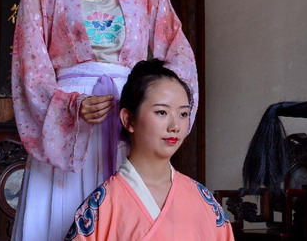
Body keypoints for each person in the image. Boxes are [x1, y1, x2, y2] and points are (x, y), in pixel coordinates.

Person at [11, 0, 198, 241]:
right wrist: (71, 106)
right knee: (62, 218)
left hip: (129, 115)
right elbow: (31, 73)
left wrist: (157, 109)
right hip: (68, 125)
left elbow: (176, 54)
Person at [64, 59, 234, 240]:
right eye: (162, 112)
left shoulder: (205, 202)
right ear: (128, 120)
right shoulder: (101, 207)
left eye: (183, 114)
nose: (175, 126)